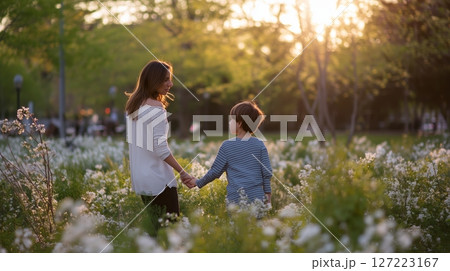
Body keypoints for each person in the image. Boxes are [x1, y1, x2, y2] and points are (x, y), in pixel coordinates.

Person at [125, 60, 195, 236]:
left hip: (142, 179)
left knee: (157, 234)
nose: (170, 84)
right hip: (159, 180)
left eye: (170, 79)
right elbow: (161, 149)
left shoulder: (133, 108)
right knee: (171, 235)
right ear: (153, 80)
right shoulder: (156, 109)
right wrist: (183, 172)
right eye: (165, 80)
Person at [184, 101, 272, 206]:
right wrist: (268, 195)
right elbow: (267, 172)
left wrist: (198, 182)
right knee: (256, 222)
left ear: (239, 123)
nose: (229, 122)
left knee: (237, 222)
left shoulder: (227, 146)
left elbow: (215, 172)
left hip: (236, 198)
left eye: (231, 120)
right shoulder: (260, 145)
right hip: (257, 197)